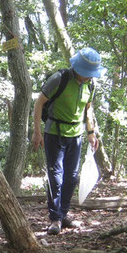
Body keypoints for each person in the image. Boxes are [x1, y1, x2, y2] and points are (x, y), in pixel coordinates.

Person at [32, 47, 105, 235]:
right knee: (56, 177)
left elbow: (88, 108)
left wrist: (90, 132)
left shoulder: (90, 85)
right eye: (87, 74)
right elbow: (39, 103)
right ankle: (55, 218)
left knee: (71, 177)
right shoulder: (59, 79)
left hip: (76, 135)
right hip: (54, 133)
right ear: (78, 69)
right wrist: (37, 132)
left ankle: (63, 214)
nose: (89, 77)